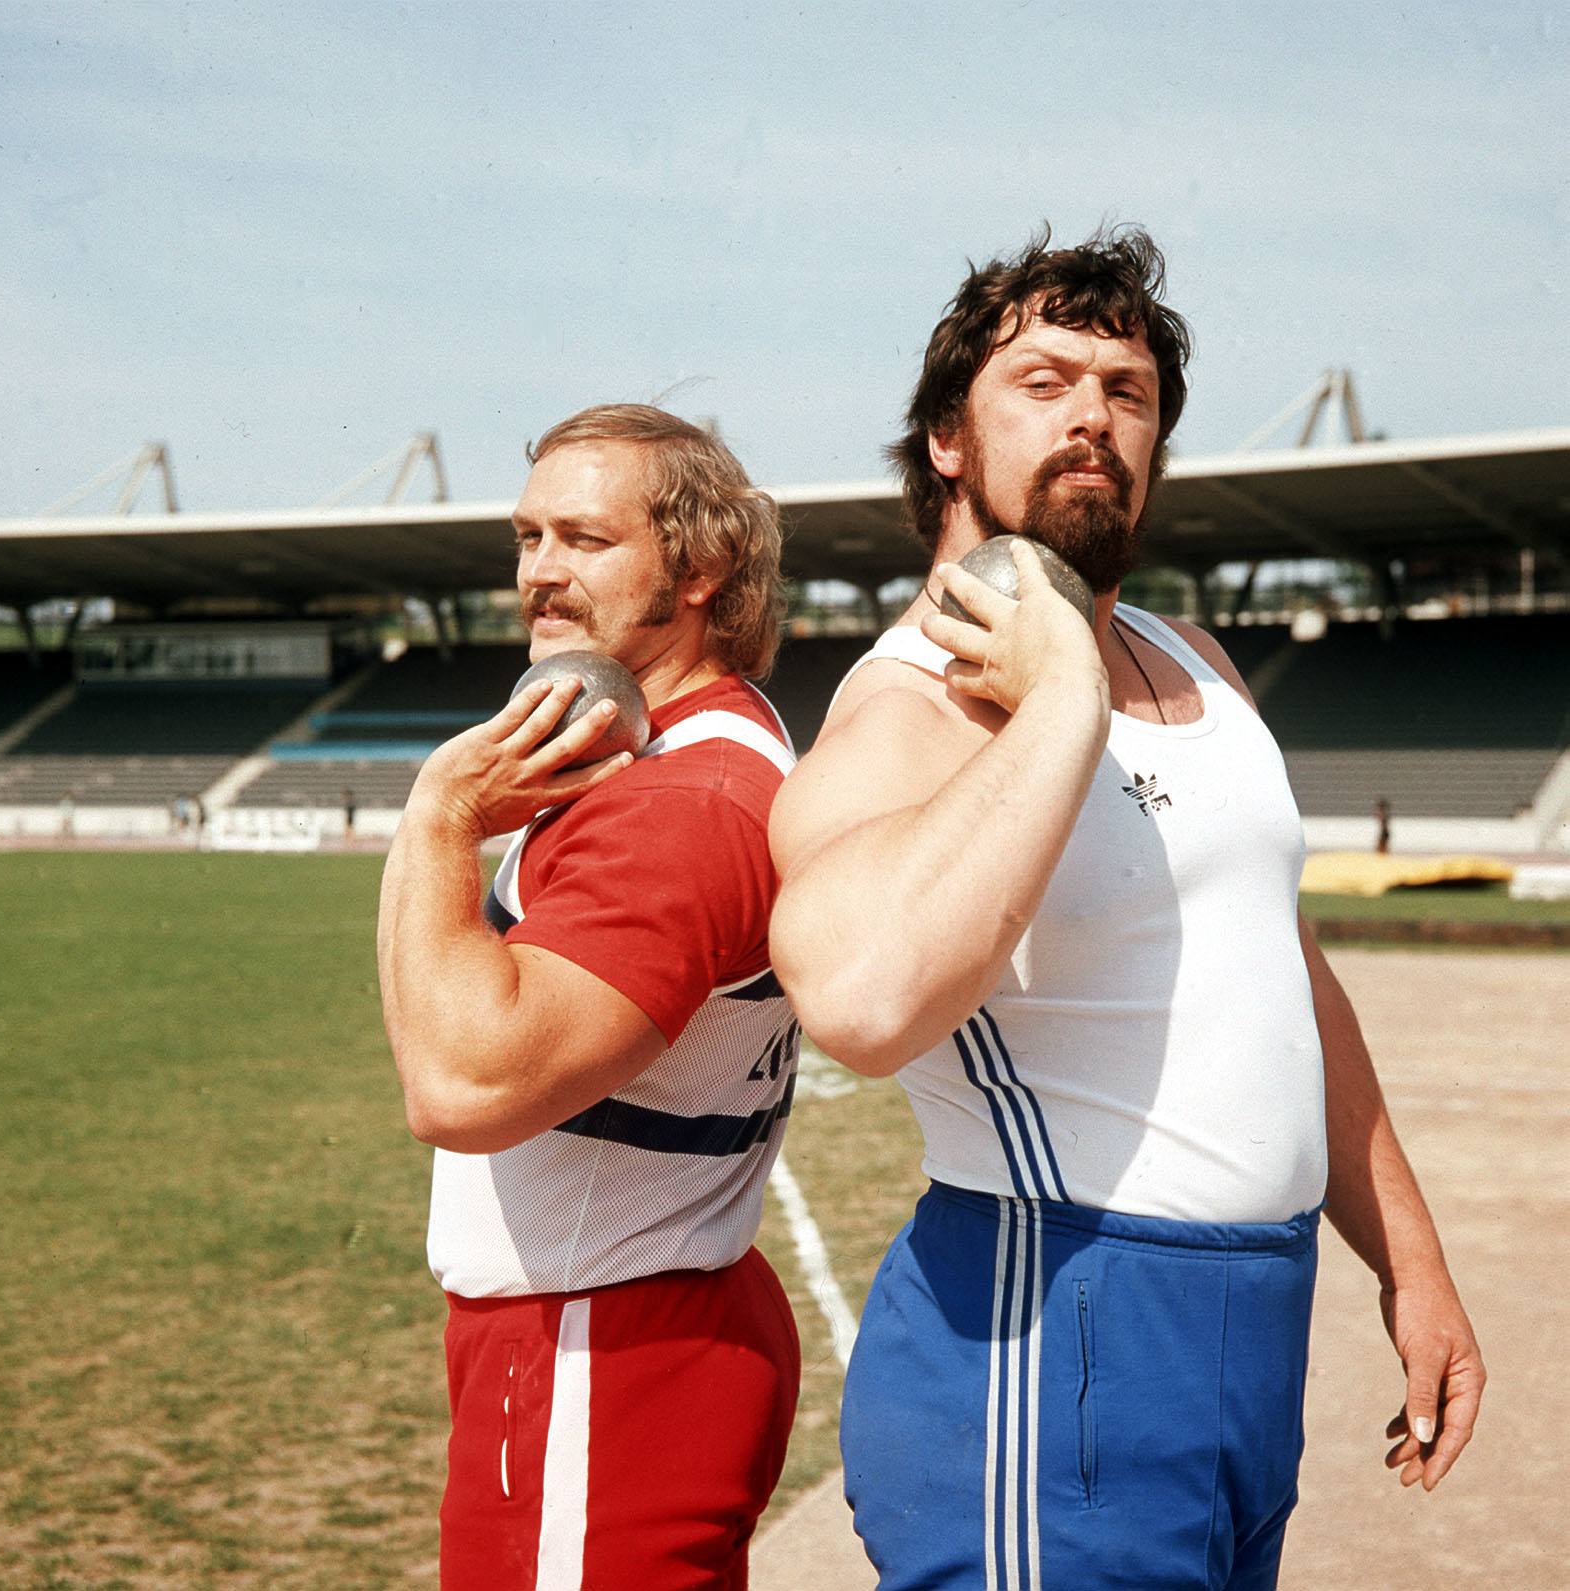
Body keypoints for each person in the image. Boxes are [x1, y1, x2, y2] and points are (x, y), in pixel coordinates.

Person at [768, 228, 1484, 1590]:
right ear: (944, 440)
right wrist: (1057, 699)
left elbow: (1285, 975)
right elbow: (855, 1000)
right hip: (1051, 1335)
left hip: (1248, 1343)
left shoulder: (1192, 658)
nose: (1094, 410)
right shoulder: (906, 700)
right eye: (1042, 379)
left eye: (1128, 389)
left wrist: (1410, 1260)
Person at [378, 404, 801, 1589]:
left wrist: (437, 815)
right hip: (623, 1324)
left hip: (599, 1347)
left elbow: (463, 1083)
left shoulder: (683, 801)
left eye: (583, 538)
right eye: (526, 537)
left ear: (701, 566)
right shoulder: (674, 747)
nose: (539, 572)